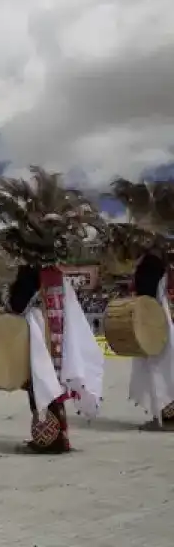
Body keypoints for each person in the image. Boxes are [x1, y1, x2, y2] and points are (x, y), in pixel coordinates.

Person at [0, 167, 105, 454]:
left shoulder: (29, 273)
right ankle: (59, 436)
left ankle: (48, 439)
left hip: (38, 338)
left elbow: (16, 306)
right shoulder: (56, 273)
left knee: (41, 388)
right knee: (56, 389)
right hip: (58, 338)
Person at [104, 179, 174, 431]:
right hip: (159, 317)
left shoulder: (150, 263)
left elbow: (144, 295)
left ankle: (167, 415)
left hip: (154, 320)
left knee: (161, 367)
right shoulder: (158, 260)